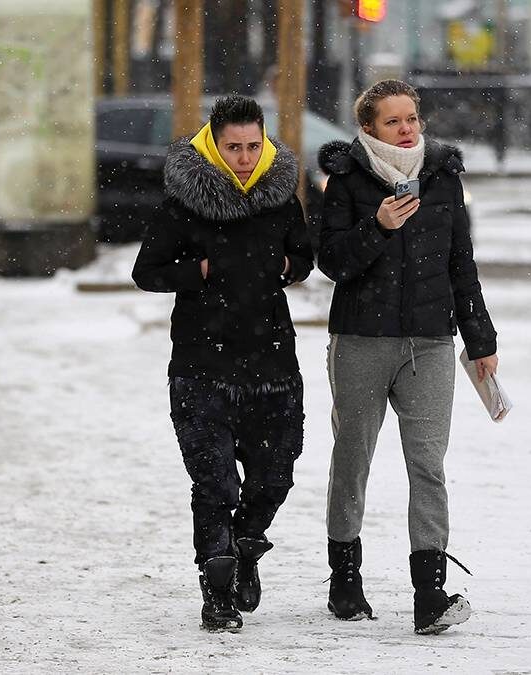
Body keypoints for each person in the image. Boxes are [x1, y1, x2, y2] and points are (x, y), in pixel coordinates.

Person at [316, 79, 499, 635]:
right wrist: (377, 226)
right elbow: (331, 261)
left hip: (430, 343)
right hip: (362, 341)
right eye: (393, 121)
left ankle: (430, 594)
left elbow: (460, 263)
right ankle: (345, 581)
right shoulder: (346, 179)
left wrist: (481, 340)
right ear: (369, 127)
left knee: (428, 465)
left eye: (412, 119)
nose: (407, 130)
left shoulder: (442, 176)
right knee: (353, 459)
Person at [132, 95, 313, 632]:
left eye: (253, 146)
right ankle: (217, 590)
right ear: (213, 144)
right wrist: (200, 269)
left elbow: (304, 257)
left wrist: (286, 264)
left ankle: (246, 551)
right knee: (213, 483)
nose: (243, 157)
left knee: (273, 478)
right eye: (233, 147)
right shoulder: (183, 201)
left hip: (273, 361)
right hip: (201, 362)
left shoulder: (280, 196)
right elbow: (147, 271)